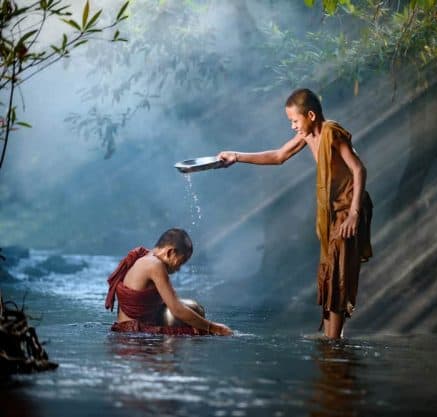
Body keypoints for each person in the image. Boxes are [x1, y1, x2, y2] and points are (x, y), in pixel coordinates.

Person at [218, 88, 372, 339]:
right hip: (331, 212)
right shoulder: (307, 136)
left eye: (294, 121)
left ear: (311, 115)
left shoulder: (332, 133)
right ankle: (332, 337)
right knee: (328, 269)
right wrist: (236, 156)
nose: (292, 126)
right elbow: (278, 156)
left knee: (338, 271)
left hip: (348, 209)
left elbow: (359, 169)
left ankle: (333, 341)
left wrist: (354, 214)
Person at [104, 228, 232, 336]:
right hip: (134, 336)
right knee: (199, 328)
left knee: (193, 309)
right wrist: (214, 328)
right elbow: (176, 309)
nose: (178, 268)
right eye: (180, 262)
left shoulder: (143, 257)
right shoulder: (155, 265)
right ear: (170, 252)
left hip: (125, 333)